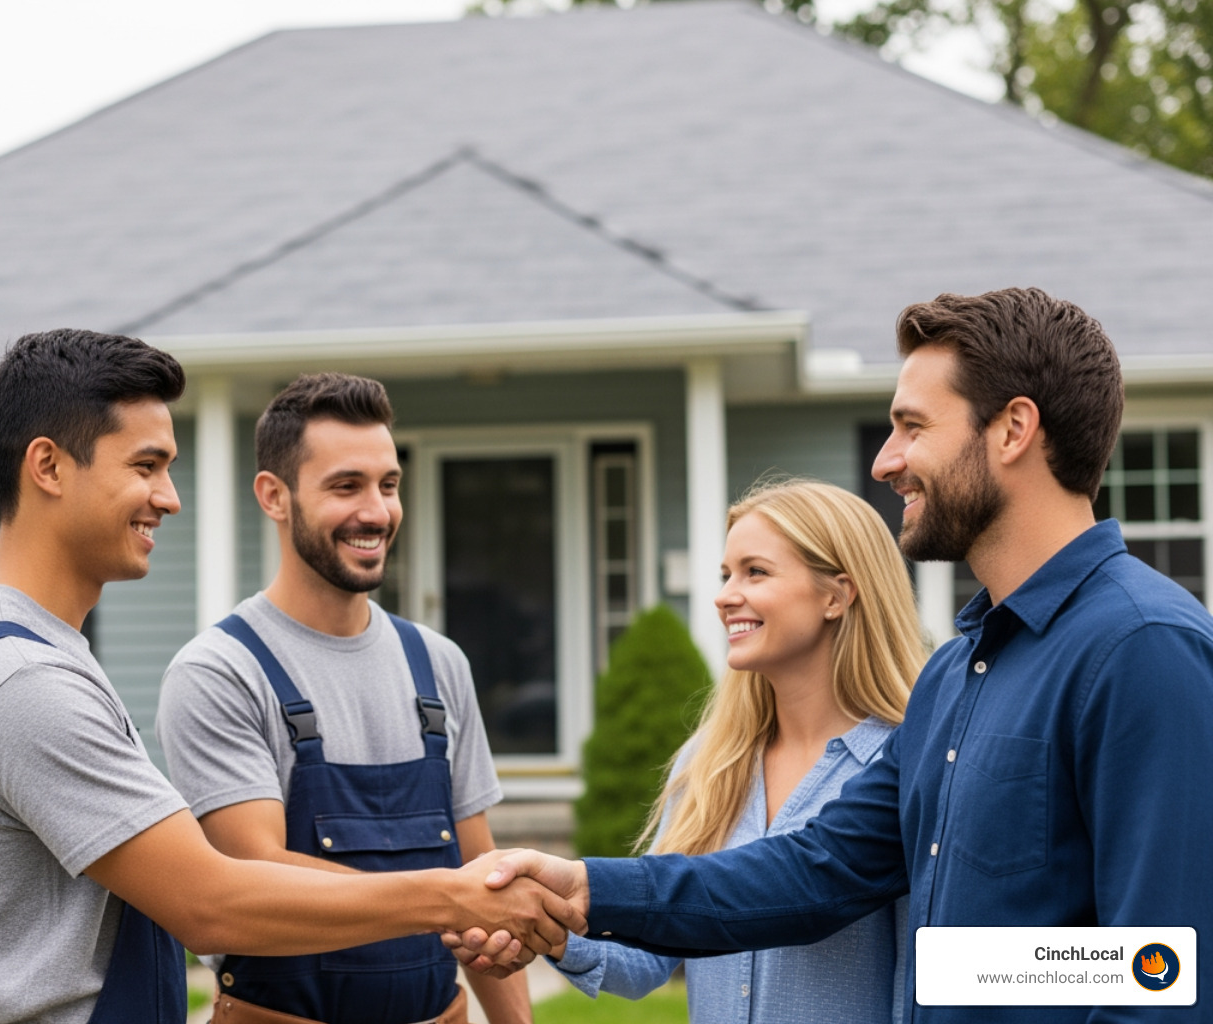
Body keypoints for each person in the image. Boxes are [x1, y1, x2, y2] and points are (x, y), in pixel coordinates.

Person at [461, 288, 1213, 1023]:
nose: (887, 462)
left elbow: (1164, 975)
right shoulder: (955, 677)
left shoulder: (1141, 649)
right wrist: (586, 888)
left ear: (1013, 429)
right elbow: (813, 871)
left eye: (912, 427)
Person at [0, 331, 578, 1024]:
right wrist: (454, 898)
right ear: (47, 465)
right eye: (146, 465)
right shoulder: (23, 681)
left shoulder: (42, 656)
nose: (168, 498)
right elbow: (211, 903)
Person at [156, 372, 531, 1024]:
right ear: (274, 496)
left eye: (388, 485)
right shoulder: (220, 673)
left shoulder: (439, 667)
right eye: (346, 486)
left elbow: (481, 875)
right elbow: (254, 883)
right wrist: (449, 900)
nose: (377, 511)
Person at [551, 479, 923, 1023]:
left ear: (836, 595)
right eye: (726, 574)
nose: (725, 595)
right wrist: (548, 927)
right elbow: (649, 955)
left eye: (756, 572)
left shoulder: (907, 765)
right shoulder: (709, 761)